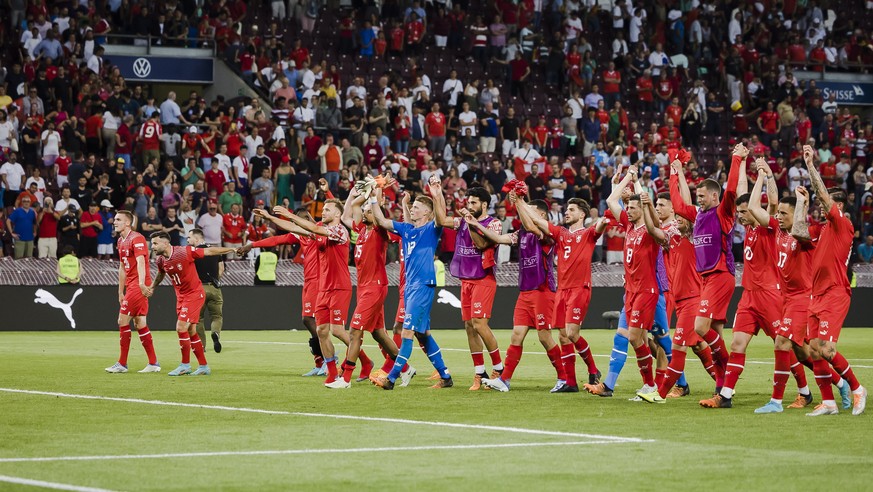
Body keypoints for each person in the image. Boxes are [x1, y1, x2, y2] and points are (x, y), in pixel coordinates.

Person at [699, 158, 802, 409]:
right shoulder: (749, 229)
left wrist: (766, 176)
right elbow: (742, 194)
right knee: (737, 344)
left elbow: (771, 201)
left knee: (787, 346)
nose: (741, 216)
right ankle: (725, 395)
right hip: (749, 295)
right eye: (740, 212)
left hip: (770, 295)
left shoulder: (769, 228)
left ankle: (806, 390)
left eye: (745, 212)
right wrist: (742, 164)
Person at [751, 187, 851, 413]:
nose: (779, 217)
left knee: (781, 342)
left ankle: (776, 402)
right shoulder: (776, 229)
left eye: (784, 214)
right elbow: (754, 208)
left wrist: (802, 204)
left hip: (804, 297)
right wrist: (763, 176)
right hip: (786, 298)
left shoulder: (806, 237)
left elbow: (799, 228)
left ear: (795, 214)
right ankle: (841, 382)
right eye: (779, 214)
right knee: (805, 353)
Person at [791, 146, 866, 416]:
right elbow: (797, 231)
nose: (822, 207)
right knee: (812, 349)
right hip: (816, 294)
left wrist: (810, 165)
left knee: (826, 347)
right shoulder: (821, 229)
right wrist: (801, 203)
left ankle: (857, 389)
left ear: (839, 207)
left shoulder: (842, 224)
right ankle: (829, 403)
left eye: (826, 204)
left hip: (835, 292)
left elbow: (823, 194)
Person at [472, 194, 570, 392]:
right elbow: (499, 238)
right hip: (525, 292)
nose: (525, 213)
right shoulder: (521, 233)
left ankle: (564, 378)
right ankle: (504, 380)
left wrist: (518, 202)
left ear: (541, 215)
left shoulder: (545, 233)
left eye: (530, 210)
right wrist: (476, 224)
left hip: (543, 291)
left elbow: (533, 226)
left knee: (544, 337)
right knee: (516, 335)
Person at [668, 144, 746, 393]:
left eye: (702, 196)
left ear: (715, 196)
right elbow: (679, 205)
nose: (699, 200)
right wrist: (673, 173)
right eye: (697, 196)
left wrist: (735, 159)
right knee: (716, 334)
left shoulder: (723, 212)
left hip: (720, 275)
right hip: (706, 279)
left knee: (700, 328)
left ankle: (727, 364)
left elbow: (732, 190)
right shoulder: (697, 215)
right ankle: (722, 387)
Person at [271, 198, 374, 385]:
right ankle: (332, 373)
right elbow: (296, 229)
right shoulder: (321, 232)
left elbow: (315, 228)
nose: (323, 212)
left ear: (337, 214)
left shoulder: (339, 231)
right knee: (321, 330)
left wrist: (290, 215)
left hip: (339, 287)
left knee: (337, 331)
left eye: (327, 210)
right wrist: (270, 217)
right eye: (323, 209)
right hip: (323, 288)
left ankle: (365, 362)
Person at [516, 192, 607, 392]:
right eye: (567, 209)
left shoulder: (588, 234)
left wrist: (605, 218)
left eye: (572, 209)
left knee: (572, 333)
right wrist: (519, 201)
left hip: (579, 289)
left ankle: (593, 369)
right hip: (562, 290)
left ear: (582, 215)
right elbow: (535, 220)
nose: (567, 212)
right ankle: (571, 383)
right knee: (563, 336)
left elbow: (600, 226)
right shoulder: (561, 233)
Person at [369, 182, 454, 390]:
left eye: (416, 206)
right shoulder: (408, 230)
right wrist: (372, 197)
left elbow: (440, 215)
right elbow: (380, 220)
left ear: (427, 212)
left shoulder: (432, 228)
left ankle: (391, 378)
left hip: (423, 285)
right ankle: (445, 376)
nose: (412, 209)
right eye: (412, 206)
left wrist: (437, 194)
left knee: (406, 331)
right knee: (422, 333)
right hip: (409, 286)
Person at [325, 186, 411, 389]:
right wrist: (358, 192)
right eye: (364, 210)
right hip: (364, 288)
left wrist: (375, 195)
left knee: (355, 331)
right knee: (379, 333)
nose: (364, 212)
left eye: (369, 211)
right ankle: (406, 368)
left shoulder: (380, 231)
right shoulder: (361, 231)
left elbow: (377, 212)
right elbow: (350, 210)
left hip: (375, 287)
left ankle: (345, 379)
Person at [427, 183, 503, 390]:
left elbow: (480, 244)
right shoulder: (462, 221)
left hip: (484, 279)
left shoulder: (493, 224)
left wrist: (470, 222)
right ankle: (479, 372)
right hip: (466, 280)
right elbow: (441, 220)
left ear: (484, 204)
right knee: (469, 327)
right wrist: (437, 195)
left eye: (473, 202)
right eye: (467, 202)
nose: (469, 205)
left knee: (479, 323)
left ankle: (499, 368)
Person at [238, 208, 326, 376]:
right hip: (309, 281)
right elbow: (276, 240)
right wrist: (252, 245)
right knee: (308, 321)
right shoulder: (300, 235)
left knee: (311, 320)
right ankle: (320, 361)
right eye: (294, 222)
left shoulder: (320, 231)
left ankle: (329, 358)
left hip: (320, 281)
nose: (295, 224)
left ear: (307, 219)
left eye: (298, 220)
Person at [602, 166, 660, 397]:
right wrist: (629, 176)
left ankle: (653, 385)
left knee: (635, 337)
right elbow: (610, 199)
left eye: (634, 207)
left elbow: (650, 214)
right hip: (631, 291)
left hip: (646, 290)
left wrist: (639, 189)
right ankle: (649, 385)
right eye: (628, 207)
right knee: (641, 339)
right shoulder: (628, 225)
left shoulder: (649, 231)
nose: (629, 210)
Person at [146, 232, 234, 376]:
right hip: (181, 297)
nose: (152, 247)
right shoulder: (161, 260)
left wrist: (232, 249)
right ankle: (204, 366)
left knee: (181, 327)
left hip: (194, 294)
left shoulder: (183, 251)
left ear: (166, 243)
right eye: (152, 243)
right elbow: (161, 274)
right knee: (191, 331)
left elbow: (209, 251)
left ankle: (185, 365)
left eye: (155, 243)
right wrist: (153, 287)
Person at [105, 210, 160, 374]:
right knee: (139, 323)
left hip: (138, 284)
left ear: (127, 223)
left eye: (118, 219)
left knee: (122, 320)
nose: (114, 222)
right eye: (115, 219)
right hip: (131, 285)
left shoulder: (137, 238)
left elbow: (141, 261)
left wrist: (142, 284)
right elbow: (122, 267)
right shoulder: (120, 241)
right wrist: (120, 291)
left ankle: (122, 363)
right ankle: (153, 363)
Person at [189, 228, 226, 353]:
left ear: (197, 239)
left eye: (190, 237)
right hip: (215, 287)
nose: (188, 240)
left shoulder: (194, 253)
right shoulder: (215, 250)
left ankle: (201, 346)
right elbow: (221, 268)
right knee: (216, 316)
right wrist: (215, 279)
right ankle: (215, 333)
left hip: (199, 289)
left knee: (198, 319)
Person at [6, 194, 37, 258]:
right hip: (20, 239)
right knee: (19, 260)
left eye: (28, 201)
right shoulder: (17, 211)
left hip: (30, 239)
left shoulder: (32, 212)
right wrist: (12, 233)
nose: (26, 203)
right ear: (22, 202)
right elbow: (8, 221)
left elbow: (34, 223)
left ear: (30, 203)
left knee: (29, 260)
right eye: (24, 201)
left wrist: (35, 231)